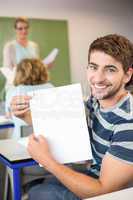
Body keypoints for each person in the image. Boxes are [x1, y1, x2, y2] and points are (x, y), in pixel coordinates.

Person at [10, 34, 133, 200]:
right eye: (93, 67)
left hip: (104, 193)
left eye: (110, 69)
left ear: (127, 75)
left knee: (35, 192)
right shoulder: (97, 98)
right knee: (33, 184)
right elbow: (71, 126)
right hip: (90, 172)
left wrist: (48, 161)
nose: (97, 78)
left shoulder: (128, 122)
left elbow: (103, 191)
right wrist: (27, 116)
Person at [5, 58, 53, 139]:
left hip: (19, 140)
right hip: (46, 139)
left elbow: (9, 116)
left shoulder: (14, 91)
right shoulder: (51, 88)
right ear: (43, 71)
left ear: (18, 73)